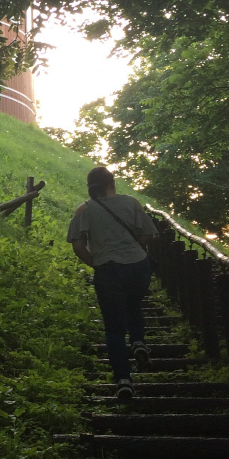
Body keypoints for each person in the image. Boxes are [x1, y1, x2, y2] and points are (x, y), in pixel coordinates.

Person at [67, 166, 158, 400]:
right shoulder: (131, 203)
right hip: (138, 266)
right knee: (134, 304)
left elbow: (78, 246)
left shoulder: (84, 209)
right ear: (112, 182)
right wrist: (134, 249)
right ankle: (138, 342)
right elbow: (148, 234)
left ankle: (124, 380)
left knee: (114, 328)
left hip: (107, 269)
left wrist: (96, 263)